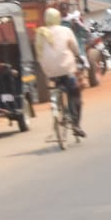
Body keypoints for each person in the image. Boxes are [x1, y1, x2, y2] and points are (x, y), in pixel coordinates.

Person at [35, 7, 85, 138]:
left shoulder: (40, 33)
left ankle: (58, 104)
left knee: (59, 82)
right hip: (66, 69)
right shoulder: (66, 30)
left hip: (49, 71)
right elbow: (75, 48)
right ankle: (76, 125)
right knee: (75, 93)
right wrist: (78, 56)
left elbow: (39, 53)